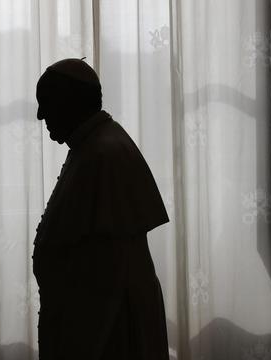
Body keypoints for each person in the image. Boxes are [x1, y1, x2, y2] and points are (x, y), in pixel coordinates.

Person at [32, 58, 170, 360]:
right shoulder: (92, 147)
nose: (40, 115)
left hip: (109, 332)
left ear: (69, 103)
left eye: (46, 103)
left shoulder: (104, 155)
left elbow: (105, 276)